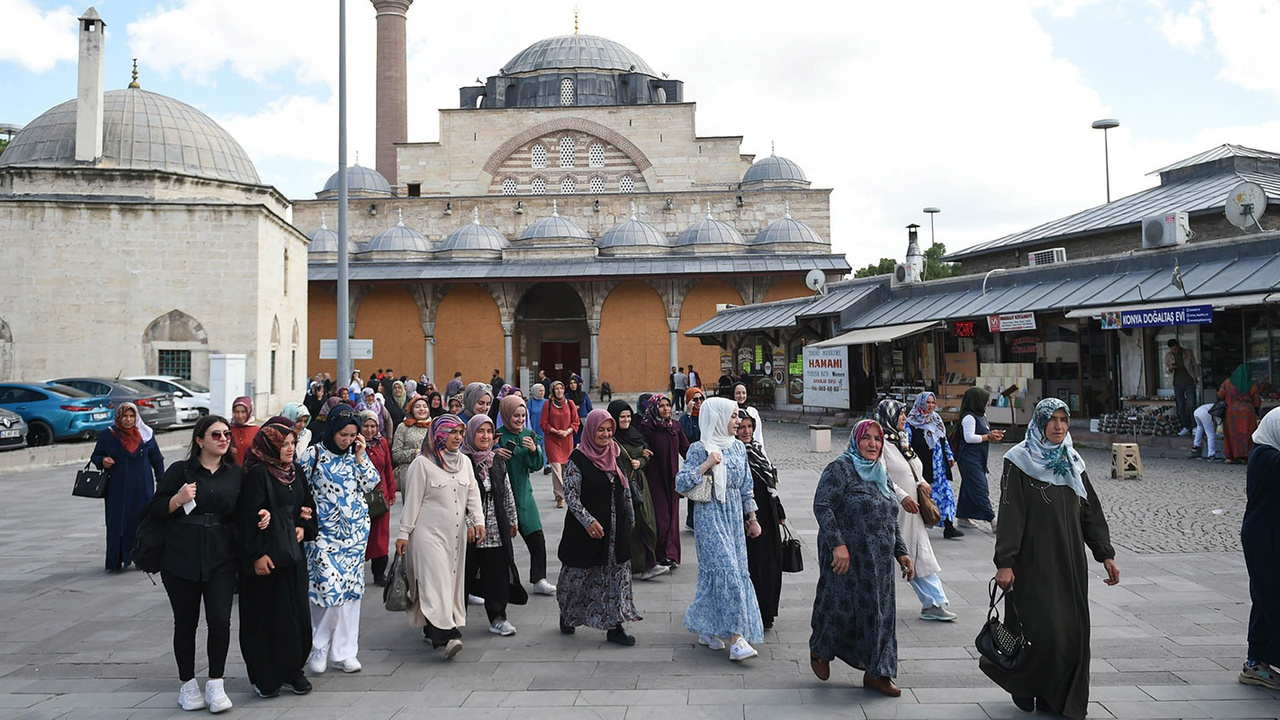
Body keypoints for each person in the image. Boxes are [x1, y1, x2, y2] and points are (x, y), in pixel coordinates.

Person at [983, 398, 1119, 718]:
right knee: (1044, 631)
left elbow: (1090, 512)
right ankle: (1029, 685)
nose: (1059, 426)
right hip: (1034, 563)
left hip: (1070, 563)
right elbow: (1010, 512)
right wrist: (1005, 561)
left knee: (1072, 632)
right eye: (1052, 420)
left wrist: (1105, 554)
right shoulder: (1019, 461)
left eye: (1064, 419)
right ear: (1040, 422)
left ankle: (1059, 697)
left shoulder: (1072, 461)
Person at [148, 416, 269, 713]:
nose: (223, 439)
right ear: (200, 440)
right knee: (186, 622)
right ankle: (187, 684)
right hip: (181, 556)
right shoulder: (181, 471)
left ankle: (216, 683)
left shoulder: (235, 474)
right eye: (216, 434)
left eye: (226, 434)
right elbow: (155, 508)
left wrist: (262, 514)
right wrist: (178, 499)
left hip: (222, 556)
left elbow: (245, 510)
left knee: (219, 620)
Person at [808, 420, 914, 697]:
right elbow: (823, 506)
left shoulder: (881, 472)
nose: (872, 444)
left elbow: (889, 517)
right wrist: (838, 545)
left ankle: (877, 672)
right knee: (838, 609)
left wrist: (901, 552)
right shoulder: (840, 469)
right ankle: (821, 649)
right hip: (845, 557)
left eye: (878, 440)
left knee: (880, 615)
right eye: (866, 438)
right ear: (856, 440)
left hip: (878, 563)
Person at [675, 397, 764, 660]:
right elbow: (680, 483)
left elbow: (746, 485)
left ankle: (706, 626)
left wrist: (753, 517)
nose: (738, 422)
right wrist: (706, 465)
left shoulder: (737, 448)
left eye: (738, 417)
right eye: (734, 416)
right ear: (718, 418)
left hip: (734, 515)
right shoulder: (699, 448)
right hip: (709, 515)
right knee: (727, 572)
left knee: (727, 572)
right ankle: (737, 638)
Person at [238, 417, 318, 698]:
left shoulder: (295, 472)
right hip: (267, 562)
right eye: (283, 443)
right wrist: (257, 555)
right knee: (265, 618)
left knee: (296, 617)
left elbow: (307, 506)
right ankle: (267, 676)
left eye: (292, 443)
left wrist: (302, 527)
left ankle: (293, 670)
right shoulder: (258, 474)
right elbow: (247, 516)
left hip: (292, 559)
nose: (289, 448)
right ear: (269, 445)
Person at [299, 404, 379, 675]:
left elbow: (371, 483)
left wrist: (360, 455)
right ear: (332, 429)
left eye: (352, 435)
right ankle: (319, 644)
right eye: (342, 434)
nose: (346, 440)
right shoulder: (314, 454)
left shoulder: (355, 455)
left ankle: (345, 652)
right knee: (327, 591)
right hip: (323, 534)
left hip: (355, 534)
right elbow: (299, 486)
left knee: (351, 594)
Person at [396, 415, 484, 658]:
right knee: (435, 582)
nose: (457, 437)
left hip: (454, 537)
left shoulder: (464, 462)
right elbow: (411, 502)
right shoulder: (422, 464)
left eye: (459, 432)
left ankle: (435, 629)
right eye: (452, 432)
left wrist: (478, 521)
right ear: (438, 435)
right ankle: (447, 635)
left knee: (449, 582)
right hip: (427, 536)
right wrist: (403, 533)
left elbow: (473, 494)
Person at [556, 409, 641, 645]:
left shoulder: (615, 453)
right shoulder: (578, 458)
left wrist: (630, 518)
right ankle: (568, 614)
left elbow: (624, 488)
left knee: (617, 576)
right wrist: (588, 520)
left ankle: (615, 626)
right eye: (600, 430)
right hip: (587, 531)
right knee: (577, 575)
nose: (605, 434)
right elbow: (571, 495)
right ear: (591, 430)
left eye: (608, 430)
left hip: (617, 528)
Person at [877, 400, 954, 622]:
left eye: (904, 414)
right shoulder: (880, 443)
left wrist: (921, 482)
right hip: (894, 511)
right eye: (900, 414)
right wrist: (902, 496)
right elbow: (881, 477)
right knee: (905, 553)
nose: (904, 418)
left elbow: (913, 467)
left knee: (919, 552)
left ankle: (934, 601)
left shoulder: (901, 440)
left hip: (913, 511)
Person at [461, 414, 528, 636]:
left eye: (489, 432)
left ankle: (498, 616)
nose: (486, 436)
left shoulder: (495, 459)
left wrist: (512, 519)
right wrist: (469, 523)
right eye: (480, 431)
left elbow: (506, 491)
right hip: (468, 532)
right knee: (463, 575)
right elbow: (457, 498)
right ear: (471, 434)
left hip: (495, 530)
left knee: (497, 574)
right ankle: (449, 621)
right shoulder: (461, 461)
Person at [91, 402, 164, 572]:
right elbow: (96, 456)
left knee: (142, 521)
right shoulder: (108, 435)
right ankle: (116, 559)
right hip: (117, 489)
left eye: (132, 416)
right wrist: (102, 461)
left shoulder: (146, 435)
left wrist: (161, 479)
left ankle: (141, 557)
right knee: (118, 522)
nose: (129, 420)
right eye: (125, 416)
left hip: (142, 487)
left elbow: (157, 459)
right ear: (119, 417)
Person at [496, 395, 556, 595]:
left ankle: (539, 578)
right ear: (506, 415)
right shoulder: (497, 436)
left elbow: (536, 466)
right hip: (502, 497)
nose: (520, 420)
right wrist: (495, 453)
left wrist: (534, 450)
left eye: (523, 415)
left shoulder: (529, 434)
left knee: (537, 538)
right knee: (502, 545)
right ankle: (503, 582)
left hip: (524, 496)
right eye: (516, 416)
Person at [1241, 409, 1280, 690]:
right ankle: (1256, 664)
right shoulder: (1268, 460)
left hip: (1268, 537)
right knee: (1270, 598)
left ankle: (1256, 662)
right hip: (1266, 539)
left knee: (1266, 598)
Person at [609, 400, 667, 581]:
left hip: (640, 484)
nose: (626, 420)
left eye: (628, 416)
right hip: (624, 485)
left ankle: (649, 562)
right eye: (622, 417)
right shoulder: (612, 438)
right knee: (633, 526)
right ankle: (639, 566)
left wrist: (640, 462)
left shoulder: (634, 433)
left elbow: (646, 453)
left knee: (647, 521)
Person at [736, 413, 785, 628]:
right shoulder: (735, 454)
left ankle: (768, 610)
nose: (746, 431)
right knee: (755, 564)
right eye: (742, 427)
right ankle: (756, 611)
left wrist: (780, 510)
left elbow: (770, 484)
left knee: (771, 562)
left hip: (769, 512)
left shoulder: (757, 450)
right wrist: (747, 517)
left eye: (749, 427)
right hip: (750, 517)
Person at [641, 394, 690, 568]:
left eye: (668, 405)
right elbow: (641, 449)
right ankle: (656, 554)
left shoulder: (675, 426)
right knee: (661, 518)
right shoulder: (647, 427)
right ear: (654, 408)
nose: (666, 409)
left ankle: (670, 554)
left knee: (672, 517)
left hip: (672, 480)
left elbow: (686, 449)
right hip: (654, 479)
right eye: (661, 406)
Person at [906, 392, 961, 538]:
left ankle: (949, 526)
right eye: (928, 403)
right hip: (924, 466)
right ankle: (921, 526)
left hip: (939, 466)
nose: (930, 406)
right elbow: (907, 446)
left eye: (933, 403)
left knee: (947, 494)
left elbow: (943, 440)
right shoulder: (911, 422)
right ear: (921, 403)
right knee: (924, 497)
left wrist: (949, 455)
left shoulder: (936, 419)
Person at [954, 387, 1003, 532]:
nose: (987, 403)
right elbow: (969, 438)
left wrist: (991, 433)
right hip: (969, 459)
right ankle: (993, 520)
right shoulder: (969, 417)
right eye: (985, 400)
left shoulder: (980, 415)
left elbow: (981, 432)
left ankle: (963, 517)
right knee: (980, 487)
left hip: (978, 458)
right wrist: (988, 437)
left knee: (968, 487)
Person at [359, 410, 397, 586]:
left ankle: (379, 573)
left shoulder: (381, 443)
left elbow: (388, 467)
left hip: (380, 497)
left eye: (373, 426)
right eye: (365, 426)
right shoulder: (355, 444)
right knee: (362, 535)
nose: (369, 430)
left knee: (380, 537)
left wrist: (391, 491)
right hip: (360, 497)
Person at [541, 380, 580, 509]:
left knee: (565, 468)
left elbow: (576, 422)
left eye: (561, 388)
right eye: (556, 389)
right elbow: (543, 423)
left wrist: (567, 431)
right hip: (552, 439)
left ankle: (568, 492)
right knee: (556, 469)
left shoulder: (570, 404)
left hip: (566, 439)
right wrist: (556, 431)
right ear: (553, 390)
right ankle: (560, 496)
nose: (559, 391)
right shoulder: (548, 404)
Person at [1220, 364, 1262, 464]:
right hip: (1248, 413)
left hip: (1231, 412)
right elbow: (1257, 401)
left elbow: (1220, 395)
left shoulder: (1227, 383)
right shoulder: (1252, 385)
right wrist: (1256, 409)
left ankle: (1230, 457)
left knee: (1231, 434)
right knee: (1247, 435)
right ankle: (1245, 457)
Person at [392, 395, 432, 487]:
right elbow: (396, 454)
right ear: (411, 410)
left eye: (425, 407)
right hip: (409, 474)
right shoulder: (403, 427)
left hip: (430, 474)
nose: (422, 409)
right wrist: (416, 453)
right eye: (417, 407)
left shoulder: (433, 426)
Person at [1165, 338, 1200, 436]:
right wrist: (1171, 368)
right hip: (1177, 383)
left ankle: (1195, 426)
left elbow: (1195, 365)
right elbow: (1167, 370)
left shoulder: (1188, 353)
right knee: (1180, 406)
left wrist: (1197, 377)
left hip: (1189, 381)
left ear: (1178, 346)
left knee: (1192, 404)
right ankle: (1185, 426)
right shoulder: (1169, 356)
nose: (1173, 351)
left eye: (1175, 349)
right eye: (1172, 349)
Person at [732, 382, 765, 449]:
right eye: (738, 393)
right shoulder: (729, 411)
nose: (741, 396)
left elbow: (757, 433)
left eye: (744, 393)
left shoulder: (752, 411)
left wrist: (760, 449)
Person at [229, 396, 259, 465]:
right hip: (231, 471)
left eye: (243, 412)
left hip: (250, 471)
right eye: (237, 412)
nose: (240, 416)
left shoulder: (257, 431)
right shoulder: (227, 430)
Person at [566, 374, 593, 443]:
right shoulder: (566, 397)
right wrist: (573, 408)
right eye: (571, 383)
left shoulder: (584, 395)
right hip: (571, 423)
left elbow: (590, 408)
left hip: (583, 422)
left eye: (575, 383)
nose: (573, 385)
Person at [526, 383, 548, 468]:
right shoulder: (530, 402)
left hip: (543, 427)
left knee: (544, 446)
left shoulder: (546, 402)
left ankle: (545, 464)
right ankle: (534, 463)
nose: (542, 393)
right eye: (540, 391)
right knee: (534, 445)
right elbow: (527, 415)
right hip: (533, 426)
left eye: (543, 390)